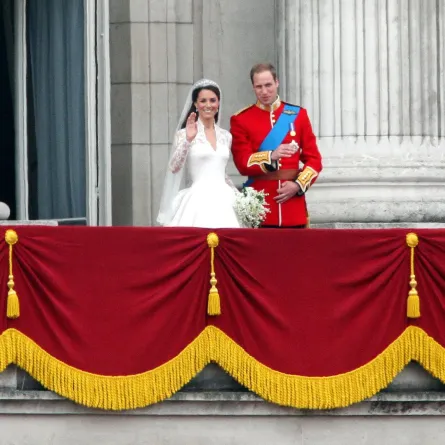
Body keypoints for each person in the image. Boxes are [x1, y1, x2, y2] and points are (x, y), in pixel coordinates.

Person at [230, 63, 322, 228]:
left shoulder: (298, 115)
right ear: (253, 87)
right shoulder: (241, 119)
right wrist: (270, 156)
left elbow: (314, 160)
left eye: (268, 85)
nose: (264, 92)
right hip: (261, 207)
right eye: (259, 87)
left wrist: (298, 185)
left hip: (293, 207)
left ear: (277, 82)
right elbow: (242, 162)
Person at [157, 79, 241, 228]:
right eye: (203, 101)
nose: (208, 105)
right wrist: (188, 140)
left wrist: (240, 198)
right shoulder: (184, 134)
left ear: (218, 103)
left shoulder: (226, 136)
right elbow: (174, 167)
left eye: (212, 100)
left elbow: (222, 172)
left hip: (225, 198)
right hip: (198, 199)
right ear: (195, 104)